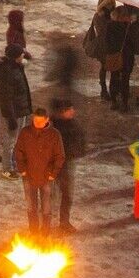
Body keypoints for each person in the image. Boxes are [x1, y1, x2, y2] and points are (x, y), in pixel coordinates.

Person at [13, 106, 64, 232]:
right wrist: (23, 170)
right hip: (29, 177)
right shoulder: (25, 132)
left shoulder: (54, 135)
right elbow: (18, 152)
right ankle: (34, 232)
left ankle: (45, 233)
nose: (38, 124)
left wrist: (53, 173)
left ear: (47, 120)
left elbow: (60, 155)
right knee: (31, 207)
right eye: (36, 121)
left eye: (41, 122)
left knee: (46, 208)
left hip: (46, 178)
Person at [0, 45, 33, 171]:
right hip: (14, 113)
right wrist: (11, 117)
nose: (23, 55)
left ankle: (15, 163)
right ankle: (7, 168)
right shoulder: (8, 72)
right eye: (21, 54)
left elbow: (29, 58)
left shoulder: (16, 66)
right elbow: (6, 98)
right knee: (10, 141)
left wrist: (22, 52)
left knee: (17, 140)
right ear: (16, 57)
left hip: (21, 110)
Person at [51, 97, 84, 231]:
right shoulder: (53, 127)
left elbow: (80, 139)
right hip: (55, 165)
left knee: (67, 194)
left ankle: (64, 222)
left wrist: (78, 151)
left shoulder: (73, 124)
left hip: (67, 164)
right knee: (50, 195)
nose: (72, 111)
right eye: (68, 110)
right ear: (61, 112)